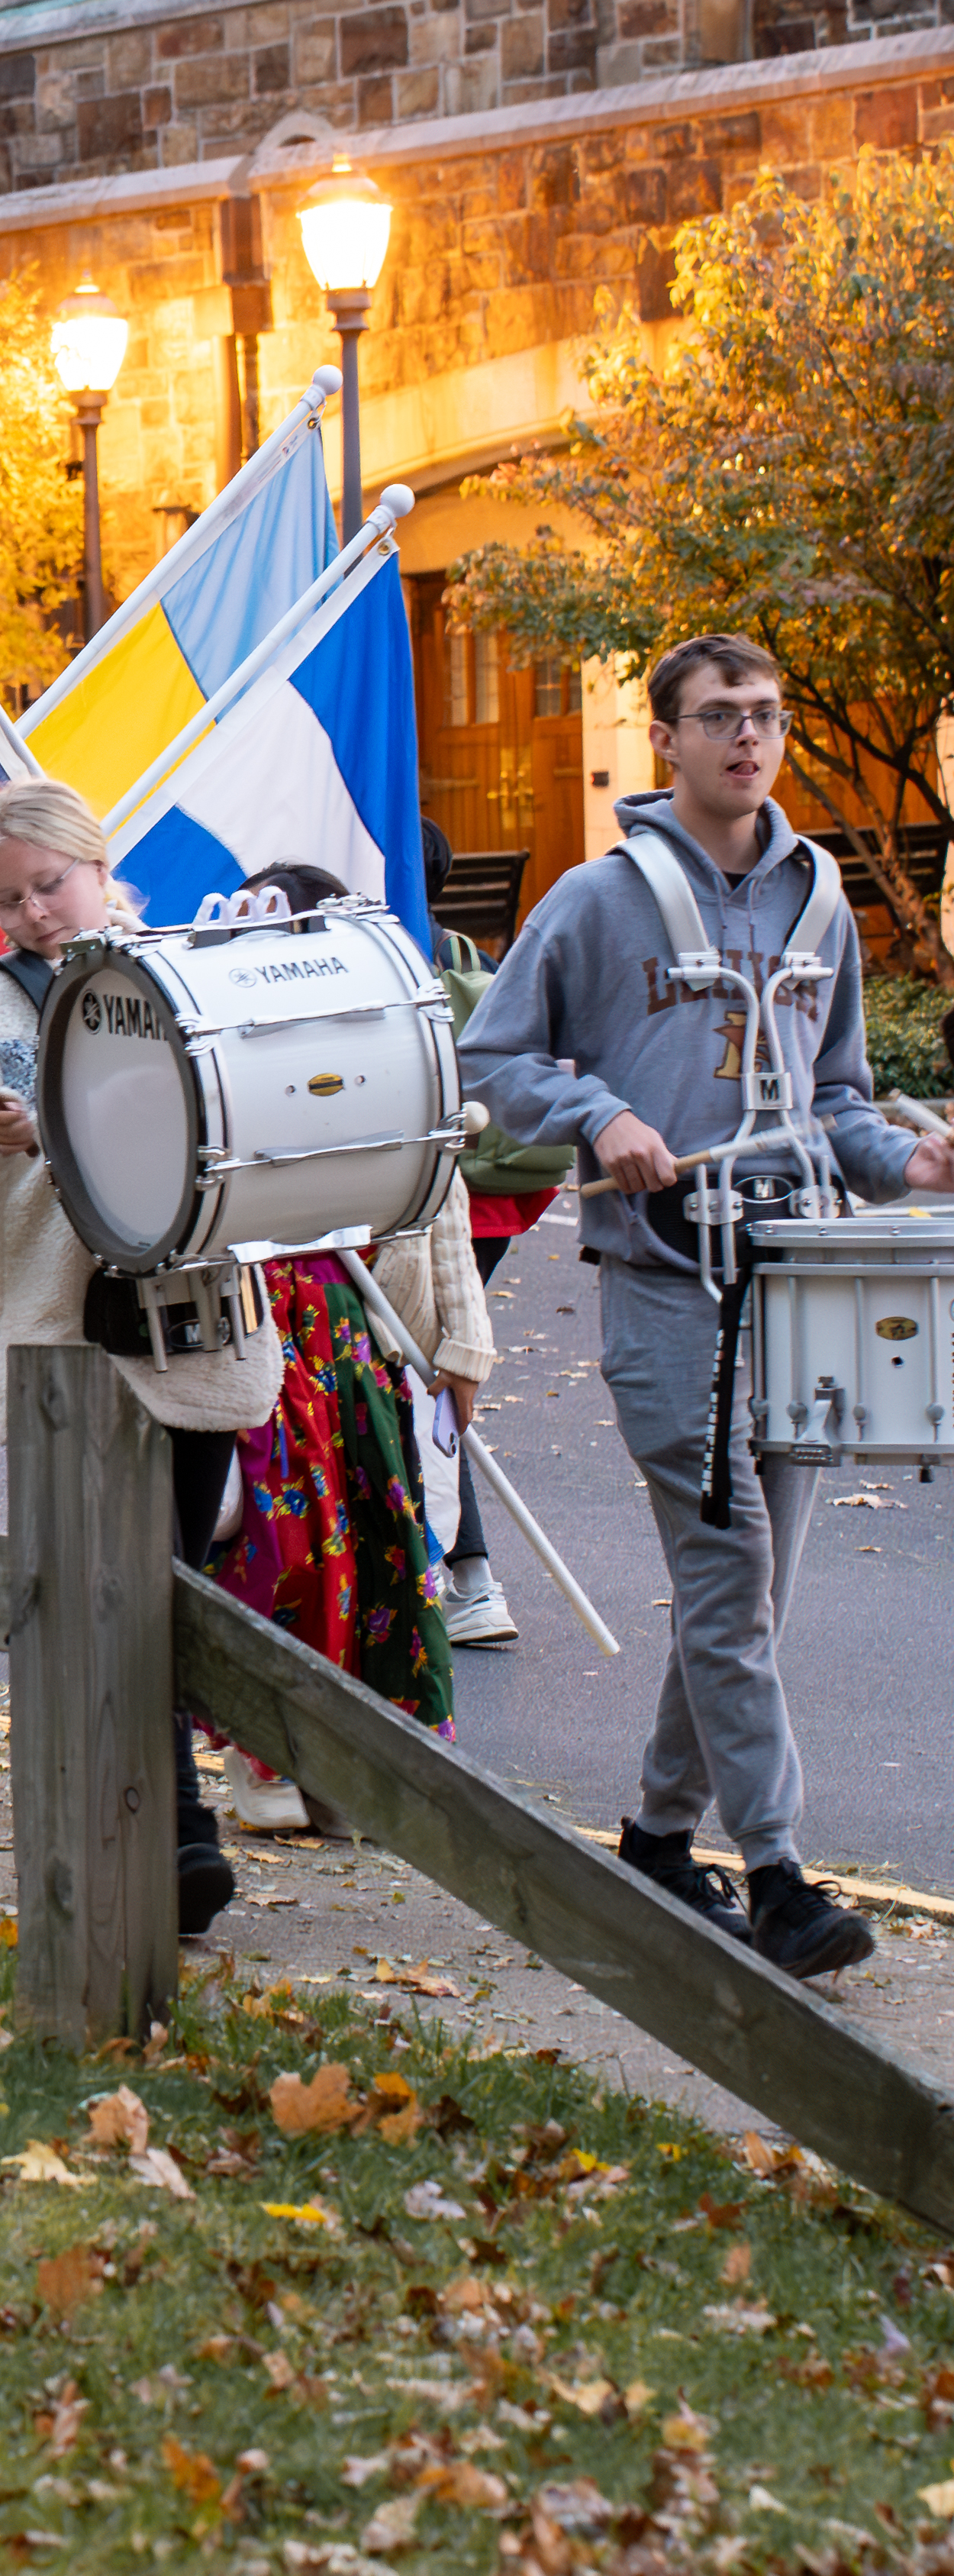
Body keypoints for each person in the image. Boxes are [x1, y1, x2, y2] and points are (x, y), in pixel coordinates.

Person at [460, 631, 954, 1981]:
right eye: (717, 716)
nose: (747, 736)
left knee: (745, 1590)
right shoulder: (595, 898)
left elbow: (835, 1098)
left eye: (765, 714)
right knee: (728, 1574)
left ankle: (657, 1837)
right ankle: (780, 1873)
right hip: (665, 1284)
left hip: (796, 1277)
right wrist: (597, 1109)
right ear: (662, 739)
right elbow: (491, 1055)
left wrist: (903, 1162)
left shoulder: (820, 901)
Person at [0, 777, 277, 1935]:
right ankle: (173, 1840)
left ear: (96, 866)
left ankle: (155, 1828)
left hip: (193, 1331)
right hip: (71, 1349)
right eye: (10, 901)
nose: (36, 914)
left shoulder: (190, 968)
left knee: (169, 1592)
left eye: (49, 885)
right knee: (115, 1588)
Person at [201, 860, 469, 1829]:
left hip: (357, 1333)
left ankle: (354, 1753)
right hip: (260, 1324)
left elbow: (439, 1204)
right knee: (285, 1541)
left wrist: (460, 1347)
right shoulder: (225, 1043)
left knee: (369, 1536)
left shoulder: (384, 1040)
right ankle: (263, 1748)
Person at [421, 813, 567, 1652]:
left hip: (444, 1195)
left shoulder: (387, 959)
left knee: (424, 1367)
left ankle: (470, 1575)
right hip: (507, 1186)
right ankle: (461, 1574)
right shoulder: (467, 957)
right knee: (430, 1362)